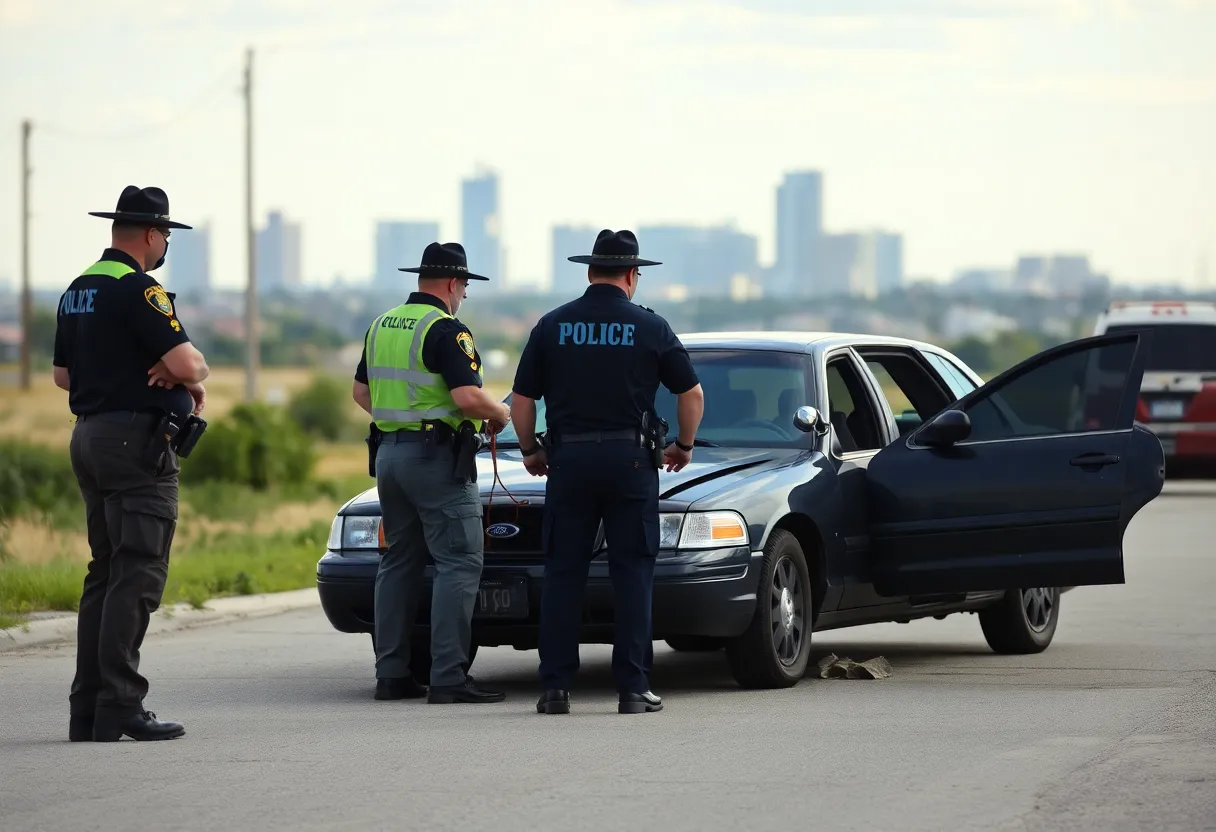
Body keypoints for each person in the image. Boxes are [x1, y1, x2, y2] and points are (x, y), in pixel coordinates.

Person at [509, 229, 705, 715]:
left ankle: (555, 689)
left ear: (590, 270)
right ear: (633, 275)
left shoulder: (552, 325)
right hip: (631, 462)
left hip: (569, 462)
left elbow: (522, 401)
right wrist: (683, 445)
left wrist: (531, 451)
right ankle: (633, 689)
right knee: (633, 573)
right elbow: (692, 395)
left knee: (563, 573)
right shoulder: (651, 327)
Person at [54, 185, 210, 742]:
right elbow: (190, 362)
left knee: (105, 571)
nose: (166, 243)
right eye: (166, 234)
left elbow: (63, 377)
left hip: (90, 438)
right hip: (135, 446)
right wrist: (186, 375)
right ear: (150, 234)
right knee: (139, 571)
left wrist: (157, 370)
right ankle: (121, 703)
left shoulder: (79, 288)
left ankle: (89, 709)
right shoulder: (140, 288)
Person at [351, 241, 511, 705]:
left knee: (399, 560)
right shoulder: (445, 329)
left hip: (389, 456)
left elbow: (362, 394)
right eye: (463, 286)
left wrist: (399, 418)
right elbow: (466, 398)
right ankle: (448, 676)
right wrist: (499, 413)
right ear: (452, 283)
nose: (462, 295)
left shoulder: (383, 325)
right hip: (435, 459)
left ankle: (392, 674)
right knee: (458, 562)